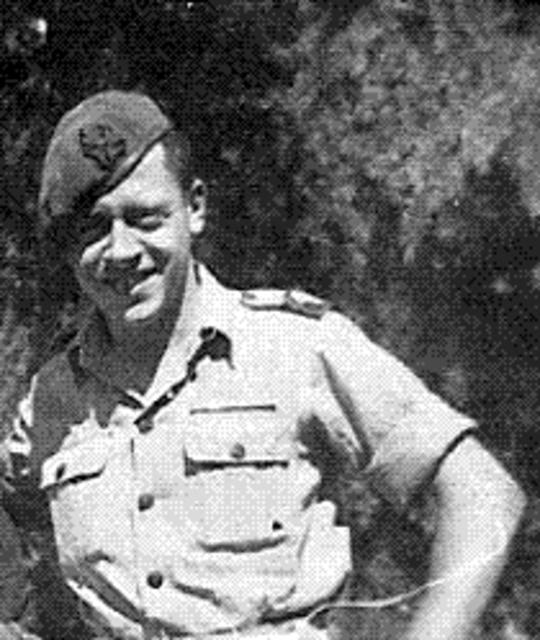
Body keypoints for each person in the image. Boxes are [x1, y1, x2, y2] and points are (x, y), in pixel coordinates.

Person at [0, 90, 526, 640]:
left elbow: (483, 492)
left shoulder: (294, 345)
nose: (120, 250)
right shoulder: (51, 401)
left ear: (194, 208)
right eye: (92, 228)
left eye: (145, 218)